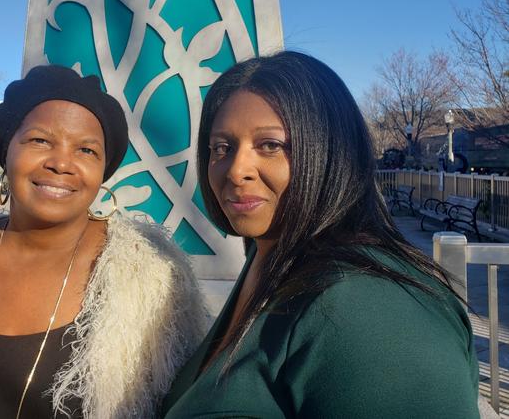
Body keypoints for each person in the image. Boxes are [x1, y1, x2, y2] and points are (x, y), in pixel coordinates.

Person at [161, 51, 482, 418]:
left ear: (332, 151)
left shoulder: (372, 309)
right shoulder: (268, 257)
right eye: (222, 148)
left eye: (270, 145)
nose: (236, 170)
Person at [0, 65, 206, 419]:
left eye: (86, 150)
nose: (61, 163)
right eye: (40, 140)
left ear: (104, 170)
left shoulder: (153, 273)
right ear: (6, 151)